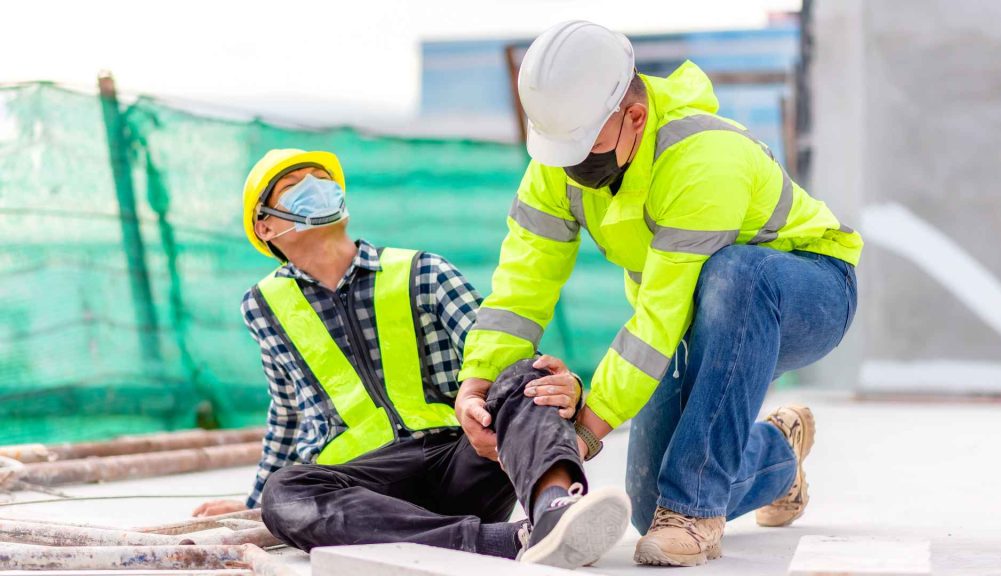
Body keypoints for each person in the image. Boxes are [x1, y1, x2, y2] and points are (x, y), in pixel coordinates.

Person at [457, 21, 862, 568]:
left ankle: (696, 513)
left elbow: (660, 317)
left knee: (733, 275)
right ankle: (778, 458)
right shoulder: (558, 166)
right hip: (695, 317)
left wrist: (584, 430)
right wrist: (479, 385)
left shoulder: (703, 158)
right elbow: (521, 285)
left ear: (635, 117)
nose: (575, 165)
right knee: (650, 504)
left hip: (806, 293)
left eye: (586, 145)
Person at [192, 149, 630, 568]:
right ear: (265, 227)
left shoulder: (423, 272)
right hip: (364, 486)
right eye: (293, 186)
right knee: (283, 493)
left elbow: (500, 350)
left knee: (521, 372)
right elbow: (288, 414)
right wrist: (255, 502)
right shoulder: (263, 306)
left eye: (323, 181)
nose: (315, 188)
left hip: (458, 456)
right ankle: (506, 541)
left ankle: (554, 509)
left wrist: (566, 387)